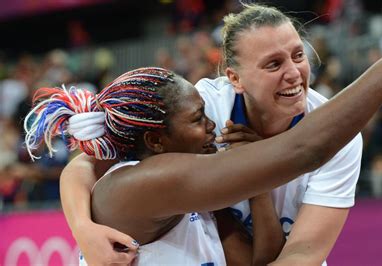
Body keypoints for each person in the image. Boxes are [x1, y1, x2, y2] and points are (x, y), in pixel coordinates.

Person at [58, 0, 382, 264]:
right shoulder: (201, 112)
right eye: (273, 64)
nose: (295, 73)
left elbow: (297, 254)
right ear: (234, 78)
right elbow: (305, 149)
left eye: (298, 55)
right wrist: (83, 229)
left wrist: (253, 184)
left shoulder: (194, 182)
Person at [26, 67, 285, 265]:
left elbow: (261, 261)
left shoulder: (198, 195)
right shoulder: (136, 183)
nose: (211, 125)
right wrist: (257, 166)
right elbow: (81, 166)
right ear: (155, 141)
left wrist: (258, 187)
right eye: (197, 118)